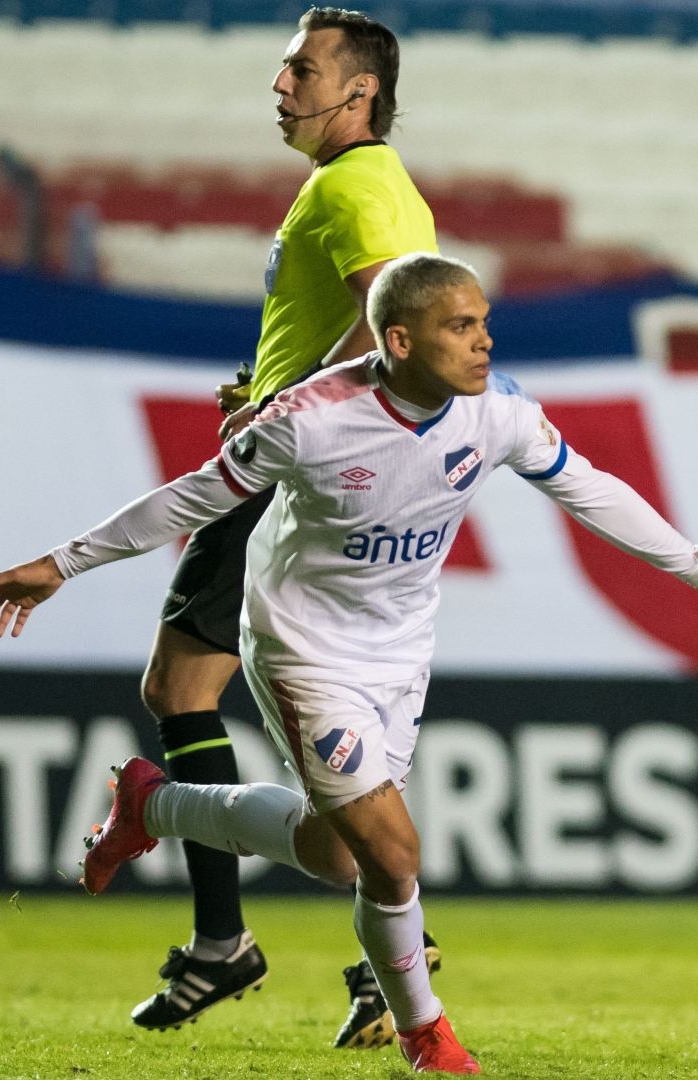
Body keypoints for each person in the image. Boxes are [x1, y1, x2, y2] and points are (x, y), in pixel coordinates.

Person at [0, 253, 698, 1074]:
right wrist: (61, 564)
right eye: (461, 326)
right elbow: (191, 496)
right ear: (398, 339)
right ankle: (425, 1036)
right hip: (304, 650)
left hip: (401, 651)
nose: (484, 343)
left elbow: (588, 485)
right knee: (395, 856)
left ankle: (154, 806)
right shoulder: (310, 418)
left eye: (484, 323)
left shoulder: (496, 411)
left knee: (337, 857)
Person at [130, 6, 438, 1046]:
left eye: (302, 69)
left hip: (292, 475)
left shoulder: (356, 186)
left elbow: (386, 321)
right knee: (240, 697)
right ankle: (366, 953)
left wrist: (290, 405)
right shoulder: (359, 183)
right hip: (314, 459)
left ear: (359, 92)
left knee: (186, 689)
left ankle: (239, 943)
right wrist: (273, 384)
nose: (280, 84)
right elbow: (363, 333)